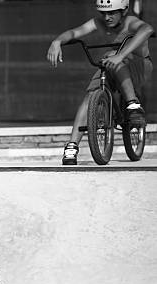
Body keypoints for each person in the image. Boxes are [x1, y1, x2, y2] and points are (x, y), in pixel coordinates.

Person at [47, 0, 154, 165]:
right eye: (103, 13)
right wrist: (57, 41)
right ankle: (72, 147)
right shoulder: (98, 23)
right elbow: (75, 32)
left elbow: (147, 29)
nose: (107, 17)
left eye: (112, 12)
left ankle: (133, 105)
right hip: (113, 64)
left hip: (138, 66)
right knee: (90, 96)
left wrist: (120, 54)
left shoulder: (130, 22)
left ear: (124, 11)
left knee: (112, 54)